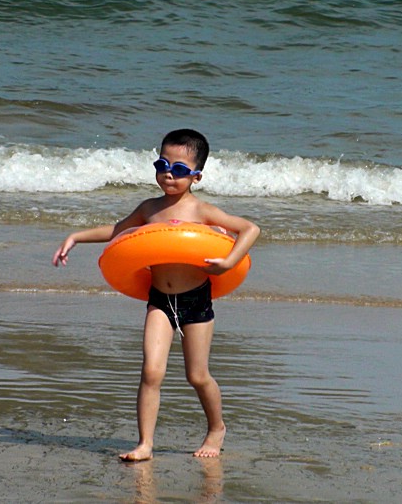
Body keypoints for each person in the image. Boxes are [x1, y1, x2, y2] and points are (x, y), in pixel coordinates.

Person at [52, 129, 260, 461]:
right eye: (161, 164)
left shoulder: (202, 211)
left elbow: (250, 229)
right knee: (151, 371)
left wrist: (228, 263)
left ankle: (216, 428)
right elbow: (118, 231)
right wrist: (76, 236)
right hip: (159, 300)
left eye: (178, 169)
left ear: (196, 176)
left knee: (197, 375)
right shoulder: (149, 209)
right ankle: (145, 444)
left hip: (196, 299)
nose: (168, 173)